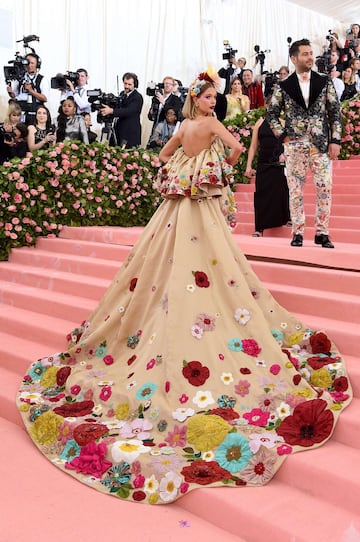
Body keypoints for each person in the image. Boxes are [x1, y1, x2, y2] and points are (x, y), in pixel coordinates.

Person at [16, 67, 352, 506]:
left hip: (176, 205)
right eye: (211, 98)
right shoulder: (210, 125)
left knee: (164, 261)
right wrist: (211, 163)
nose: (215, 104)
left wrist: (187, 164)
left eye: (215, 98)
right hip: (203, 204)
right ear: (201, 100)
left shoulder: (181, 125)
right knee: (214, 261)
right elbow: (234, 154)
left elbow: (161, 156)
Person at [267, 38, 341, 249]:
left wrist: (335, 140)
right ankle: (298, 231)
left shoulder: (325, 81)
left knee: (324, 188)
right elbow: (271, 114)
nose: (310, 57)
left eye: (311, 53)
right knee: (295, 191)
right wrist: (282, 136)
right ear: (294, 58)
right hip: (294, 146)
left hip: (320, 145)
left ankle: (322, 232)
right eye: (305, 54)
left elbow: (335, 112)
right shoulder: (283, 86)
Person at [244, 98, 290, 236]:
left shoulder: (282, 123)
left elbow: (288, 143)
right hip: (263, 162)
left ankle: (286, 218)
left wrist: (285, 155)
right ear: (266, 106)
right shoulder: (259, 123)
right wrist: (248, 166)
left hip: (279, 163)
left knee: (281, 191)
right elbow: (253, 146)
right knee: (261, 194)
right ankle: (259, 228)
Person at [100, 72, 143, 148]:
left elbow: (128, 111)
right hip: (119, 132)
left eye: (129, 84)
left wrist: (111, 111)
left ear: (135, 85)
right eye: (125, 83)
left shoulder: (138, 97)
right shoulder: (122, 94)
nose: (126, 86)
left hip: (130, 134)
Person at [6, 53, 48, 125]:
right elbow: (15, 95)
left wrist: (31, 91)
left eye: (32, 63)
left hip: (34, 111)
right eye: (27, 62)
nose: (29, 65)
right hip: (20, 111)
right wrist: (10, 93)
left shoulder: (42, 79)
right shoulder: (19, 77)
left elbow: (45, 98)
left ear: (37, 65)